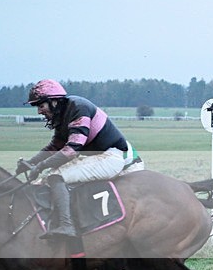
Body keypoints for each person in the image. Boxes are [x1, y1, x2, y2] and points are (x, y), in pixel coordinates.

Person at [17, 79, 141, 239]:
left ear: (54, 101)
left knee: (55, 176)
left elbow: (71, 151)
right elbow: (54, 147)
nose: (39, 112)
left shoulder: (78, 108)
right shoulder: (63, 115)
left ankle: (67, 226)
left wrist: (40, 166)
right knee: (46, 179)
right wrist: (31, 162)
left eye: (41, 106)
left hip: (111, 157)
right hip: (100, 156)